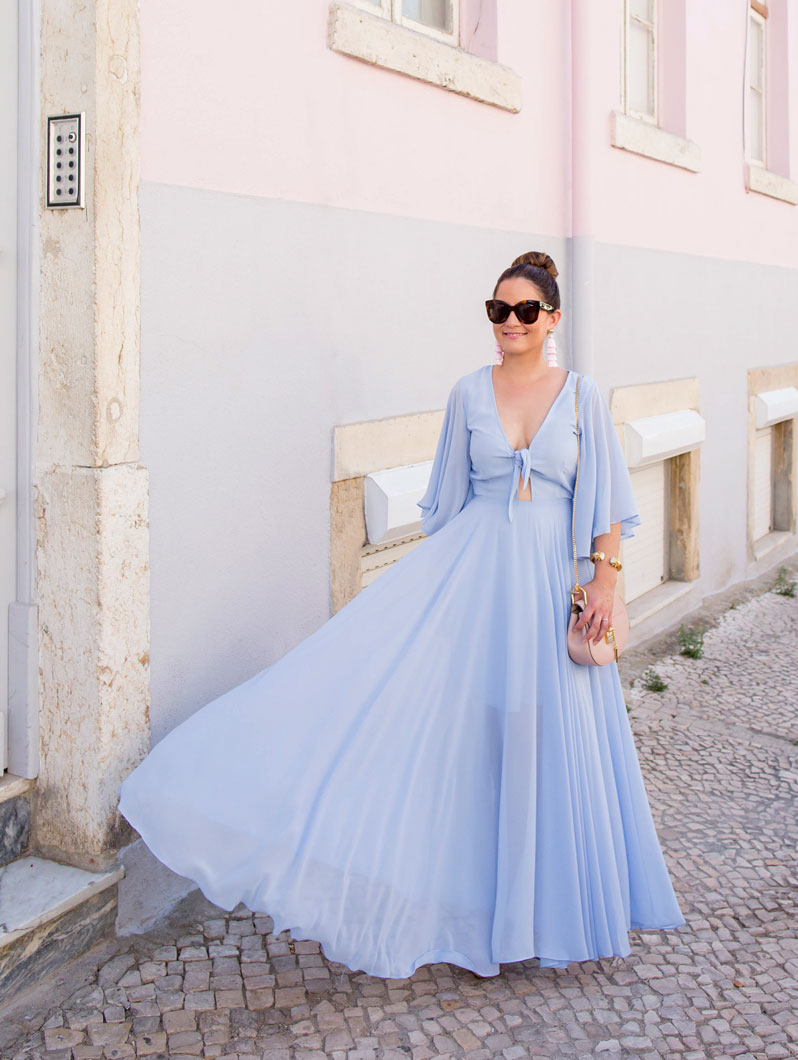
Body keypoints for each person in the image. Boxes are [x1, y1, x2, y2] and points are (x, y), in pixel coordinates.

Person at [117, 250, 685, 978]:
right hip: (479, 581)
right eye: (497, 311)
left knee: (553, 735)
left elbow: (604, 501)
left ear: (552, 320)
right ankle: (483, 910)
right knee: (478, 737)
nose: (509, 324)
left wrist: (606, 582)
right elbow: (447, 508)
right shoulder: (467, 394)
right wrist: (436, 606)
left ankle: (554, 910)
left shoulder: (583, 397)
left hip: (556, 583)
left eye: (524, 312)